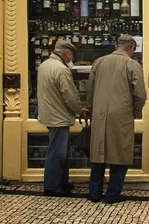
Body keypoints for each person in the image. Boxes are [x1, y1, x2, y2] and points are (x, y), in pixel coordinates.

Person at [87, 34, 147, 204]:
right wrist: (134, 112)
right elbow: (140, 96)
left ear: (116, 46)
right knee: (120, 154)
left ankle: (94, 193)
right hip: (122, 115)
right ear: (131, 49)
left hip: (99, 114)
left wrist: (91, 108)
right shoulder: (133, 65)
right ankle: (112, 195)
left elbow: (90, 91)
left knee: (98, 154)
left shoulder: (98, 62)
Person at [37, 39, 83, 197]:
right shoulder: (61, 70)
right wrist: (80, 110)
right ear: (67, 53)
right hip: (58, 116)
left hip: (49, 114)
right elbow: (70, 95)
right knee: (57, 153)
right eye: (71, 56)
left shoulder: (44, 65)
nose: (72, 60)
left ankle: (62, 182)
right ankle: (52, 186)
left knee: (58, 150)